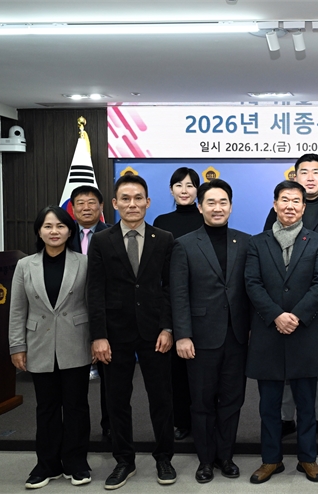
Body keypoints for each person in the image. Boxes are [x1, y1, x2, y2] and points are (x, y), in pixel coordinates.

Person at [88, 174, 177, 489]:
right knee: (116, 400)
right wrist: (98, 335)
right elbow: (94, 290)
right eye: (125, 198)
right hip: (114, 334)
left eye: (138, 198)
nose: (132, 204)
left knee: (161, 398)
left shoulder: (164, 238)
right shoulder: (102, 240)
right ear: (114, 203)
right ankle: (124, 460)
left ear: (148, 202)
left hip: (155, 332)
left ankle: (164, 457)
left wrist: (168, 327)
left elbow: (170, 288)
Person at [246, 181, 318, 484]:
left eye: (296, 201)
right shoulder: (257, 243)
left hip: (304, 331)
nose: (290, 206)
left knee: (306, 404)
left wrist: (295, 315)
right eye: (285, 200)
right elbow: (252, 283)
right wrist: (276, 315)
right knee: (269, 405)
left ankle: (308, 458)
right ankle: (271, 460)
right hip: (268, 332)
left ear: (303, 207)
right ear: (275, 204)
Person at [169, 179, 250, 483]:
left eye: (223, 202)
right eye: (211, 202)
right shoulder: (185, 244)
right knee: (202, 402)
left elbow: (251, 290)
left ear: (231, 206)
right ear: (200, 207)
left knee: (232, 399)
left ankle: (225, 456)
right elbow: (178, 293)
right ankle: (205, 460)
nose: (218, 208)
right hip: (200, 337)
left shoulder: (246, 242)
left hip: (237, 336)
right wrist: (183, 335)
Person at [263, 154, 318, 443]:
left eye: (316, 172)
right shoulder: (278, 210)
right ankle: (287, 419)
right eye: (304, 172)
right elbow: (268, 259)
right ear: (295, 176)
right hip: (283, 308)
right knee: (285, 365)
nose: (310, 177)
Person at [9, 205, 92, 489]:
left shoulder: (84, 262)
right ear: (39, 231)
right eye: (47, 226)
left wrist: (96, 340)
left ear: (70, 231)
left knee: (76, 407)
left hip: (76, 342)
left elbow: (93, 304)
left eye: (60, 226)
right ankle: (47, 464)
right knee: (46, 408)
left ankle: (76, 462)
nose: (54, 231)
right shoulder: (25, 265)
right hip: (39, 344)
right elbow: (17, 309)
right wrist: (16, 346)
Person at [154, 167, 204, 442]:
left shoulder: (206, 216)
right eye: (179, 185)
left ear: (198, 190)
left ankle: (204, 419)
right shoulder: (161, 222)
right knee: (176, 368)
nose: (184, 190)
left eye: (190, 185)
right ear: (171, 190)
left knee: (203, 368)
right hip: (173, 299)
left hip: (204, 301)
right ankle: (182, 421)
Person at [68, 185, 112, 440]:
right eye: (80, 203)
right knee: (74, 378)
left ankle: (110, 425)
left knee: (110, 379)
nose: (86, 207)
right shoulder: (62, 235)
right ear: (73, 208)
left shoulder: (112, 235)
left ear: (101, 206)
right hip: (71, 316)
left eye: (91, 202)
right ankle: (77, 431)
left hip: (105, 315)